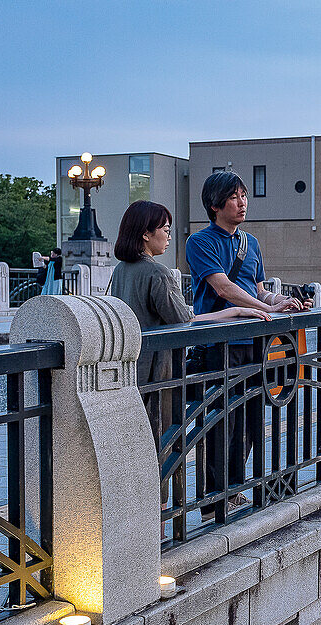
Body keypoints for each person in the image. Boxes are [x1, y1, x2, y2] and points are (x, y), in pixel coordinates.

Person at [110, 200, 270, 521]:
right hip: (161, 372)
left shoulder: (121, 271)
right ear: (145, 235)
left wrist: (237, 309)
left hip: (129, 370)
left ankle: (134, 518)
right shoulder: (157, 272)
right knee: (162, 445)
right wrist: (235, 311)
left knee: (134, 447)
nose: (169, 237)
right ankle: (161, 522)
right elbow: (184, 320)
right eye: (165, 230)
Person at [185, 171, 310, 514]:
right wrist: (269, 307)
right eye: (235, 197)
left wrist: (280, 299)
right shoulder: (200, 242)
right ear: (215, 204)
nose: (242, 203)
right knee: (221, 421)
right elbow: (223, 287)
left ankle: (239, 488)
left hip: (256, 341)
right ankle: (214, 498)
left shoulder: (249, 242)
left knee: (253, 416)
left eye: (244, 196)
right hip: (220, 342)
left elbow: (256, 287)